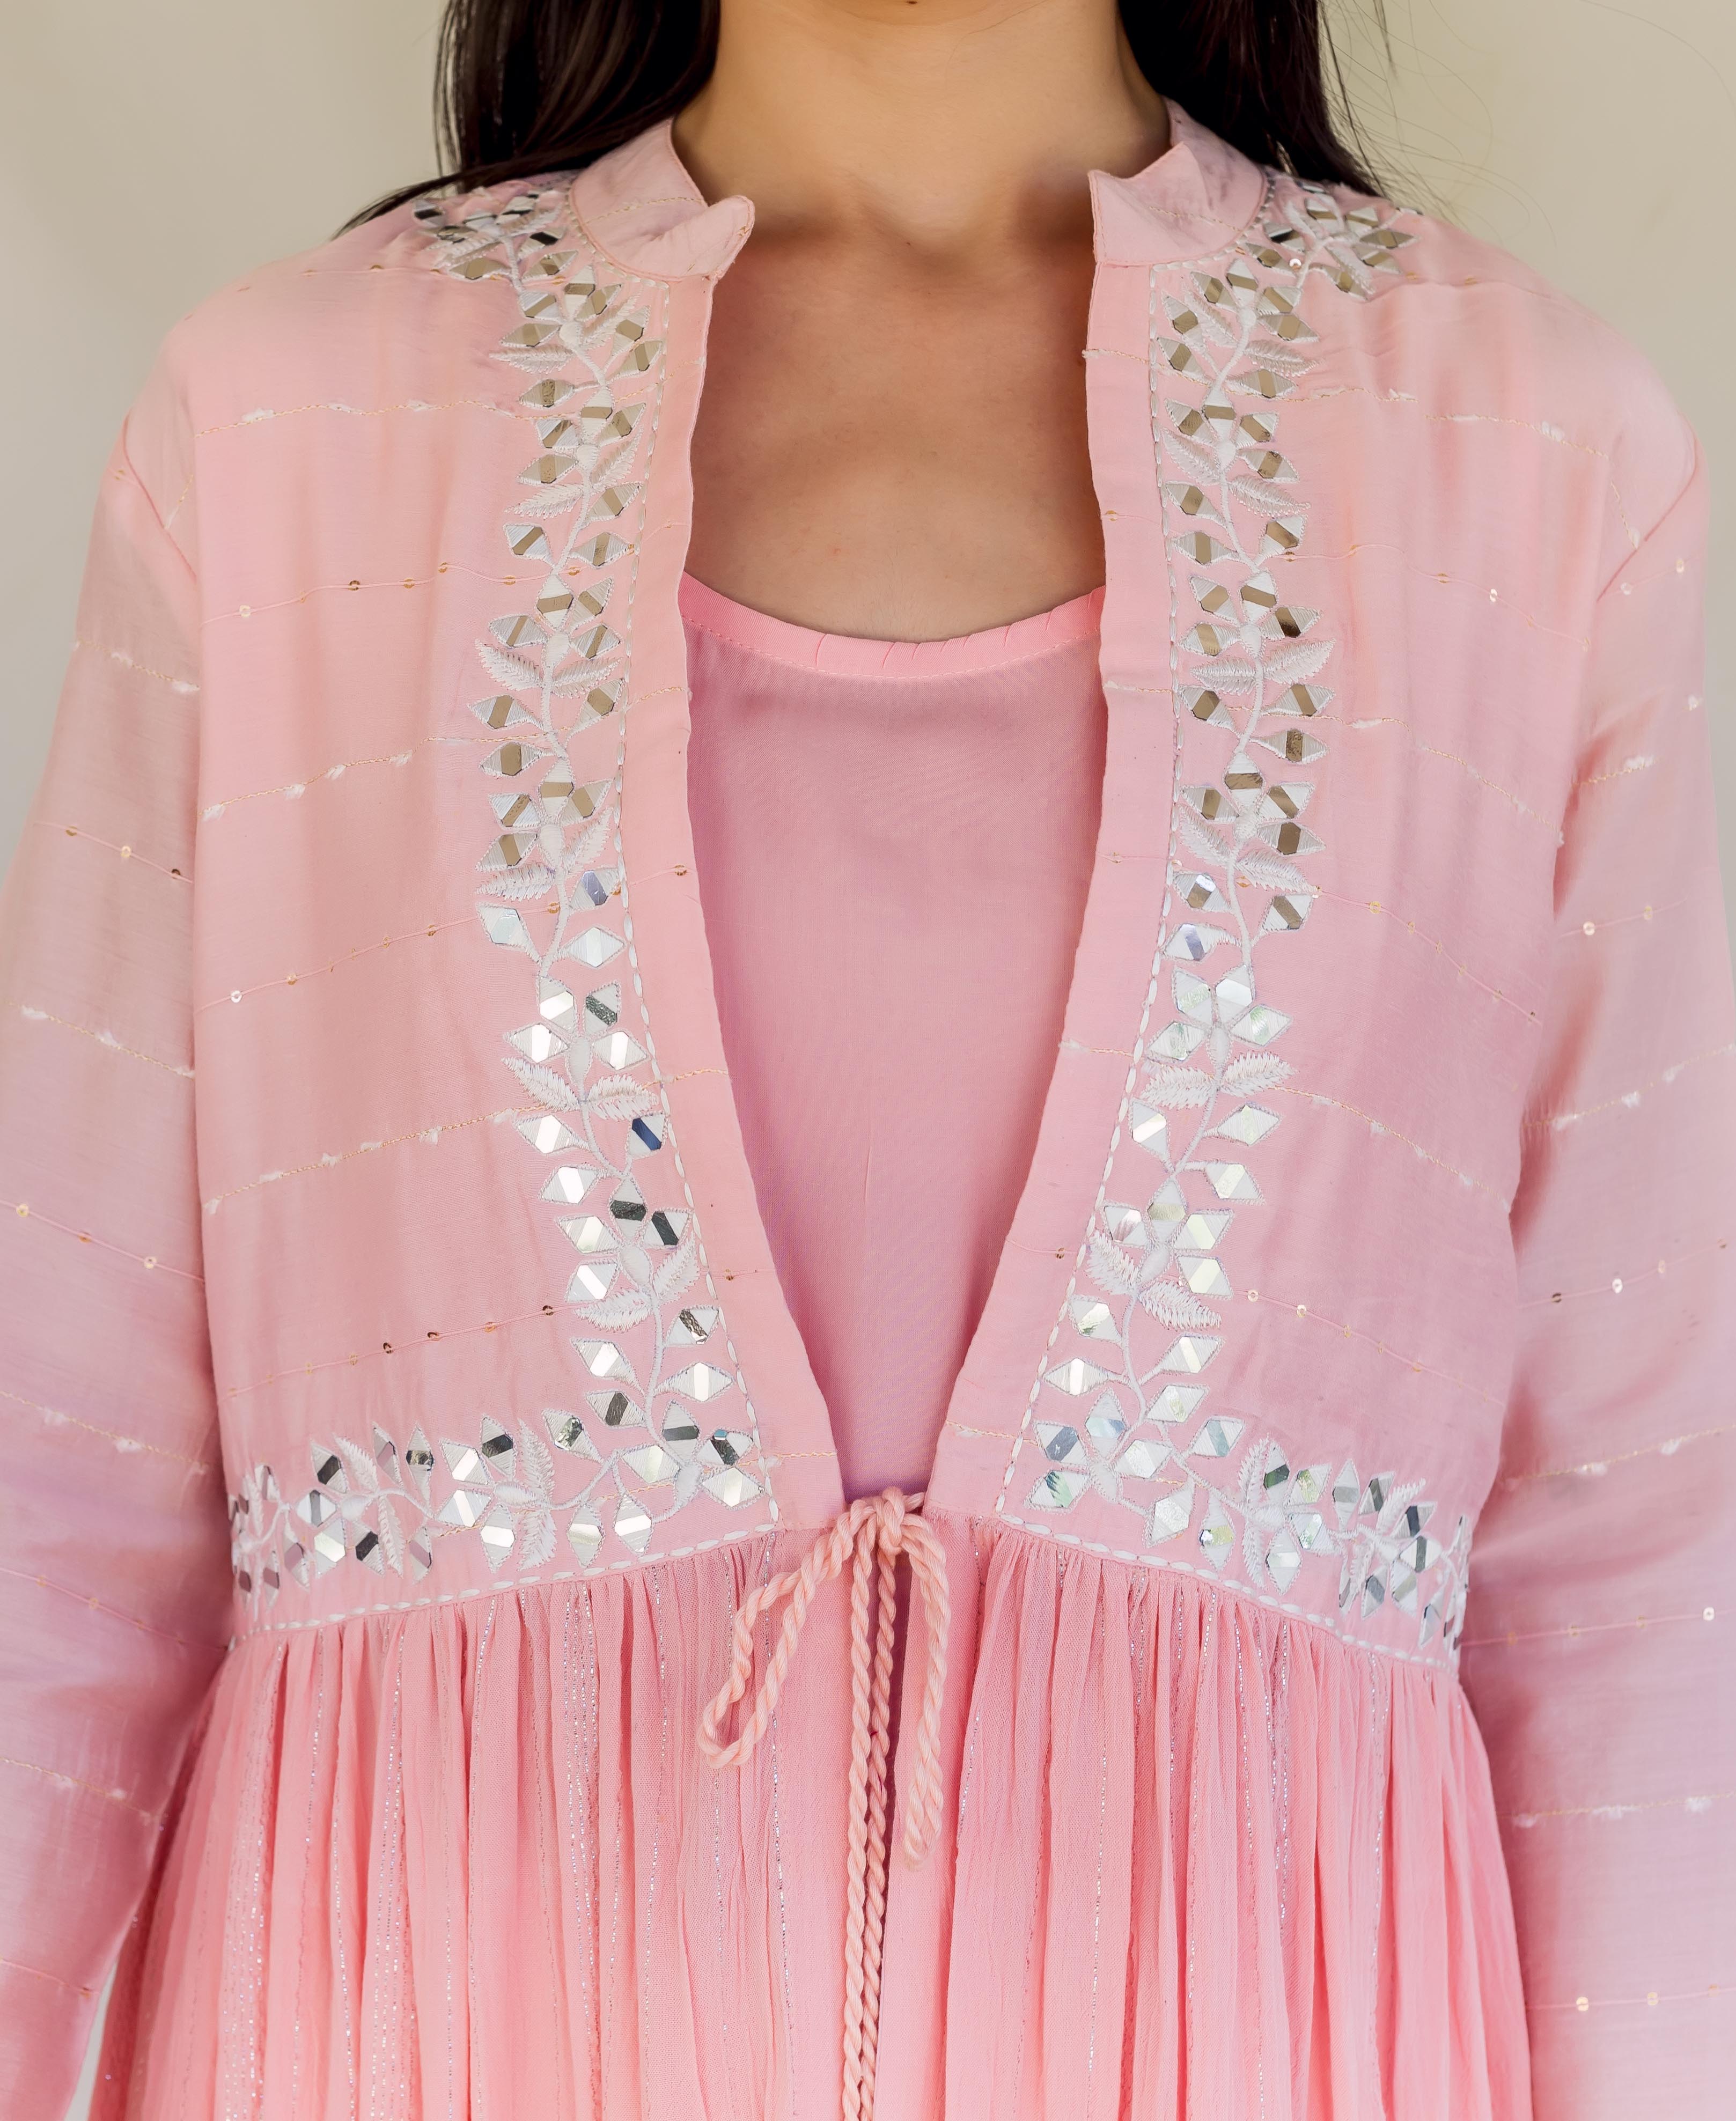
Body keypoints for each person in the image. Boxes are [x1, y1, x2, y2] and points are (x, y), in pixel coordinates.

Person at [1, 0, 1730, 2113]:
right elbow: (52, 1477)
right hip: (412, 2026)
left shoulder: (1523, 453)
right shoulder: (293, 426)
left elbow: (1636, 1547)